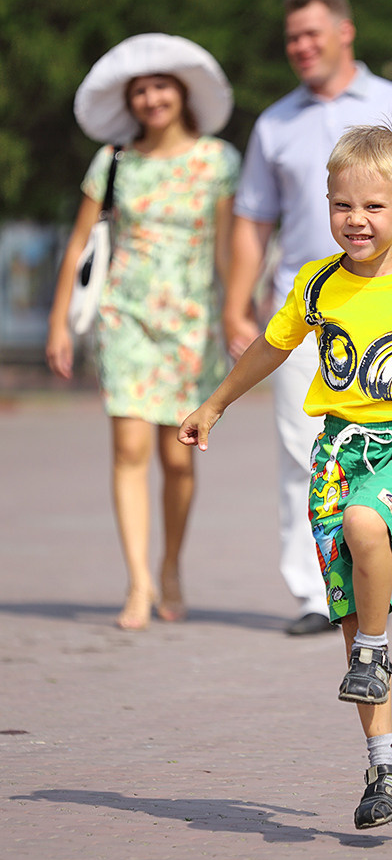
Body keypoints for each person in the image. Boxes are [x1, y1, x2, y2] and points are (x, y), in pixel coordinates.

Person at [178, 121, 392, 830]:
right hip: (337, 453)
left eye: (374, 207)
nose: (356, 220)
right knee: (350, 619)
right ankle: (387, 764)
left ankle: (379, 652)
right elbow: (271, 344)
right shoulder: (316, 282)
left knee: (365, 524)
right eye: (342, 205)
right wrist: (214, 403)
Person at [224, 0, 392, 636]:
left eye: (311, 34)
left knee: (384, 454)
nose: (300, 46)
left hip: (391, 311)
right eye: (291, 37)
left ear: (344, 33)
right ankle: (313, 593)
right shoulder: (275, 123)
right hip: (307, 310)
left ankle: (371, 560)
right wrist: (236, 305)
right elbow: (252, 219)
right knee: (305, 451)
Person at [46, 33, 241, 630]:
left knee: (177, 460)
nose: (152, 98)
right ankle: (138, 584)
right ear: (129, 102)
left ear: (182, 93)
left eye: (160, 86)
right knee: (129, 449)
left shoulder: (217, 160)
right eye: (140, 91)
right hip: (124, 317)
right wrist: (59, 322)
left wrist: (237, 312)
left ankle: (173, 564)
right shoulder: (114, 162)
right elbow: (80, 242)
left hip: (192, 322)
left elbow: (230, 246)